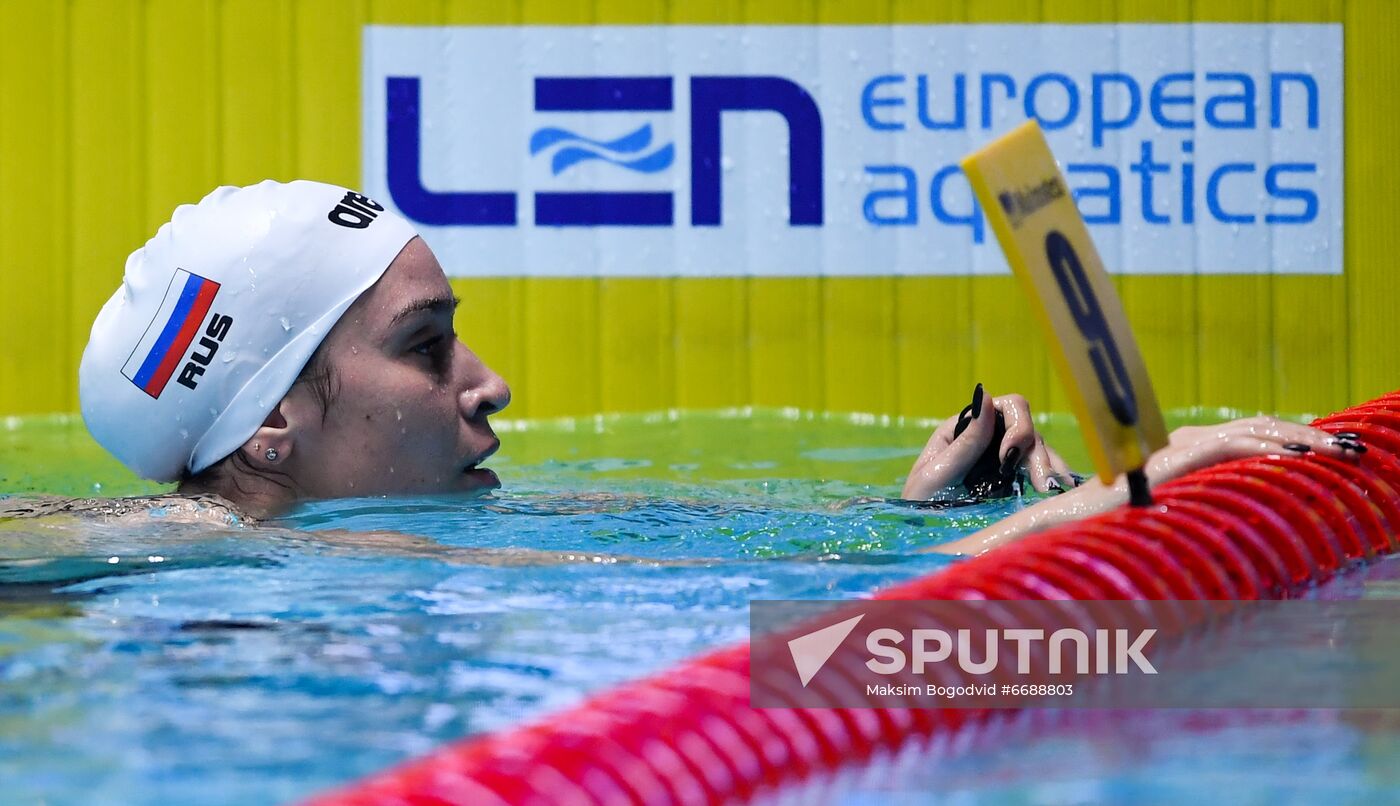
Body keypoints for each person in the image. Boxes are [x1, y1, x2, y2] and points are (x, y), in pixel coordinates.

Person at [70, 180, 1363, 554]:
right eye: (425, 346)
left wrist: (919, 526)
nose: (492, 380)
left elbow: (752, 567)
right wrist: (1120, 509)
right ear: (278, 415)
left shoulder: (467, 540)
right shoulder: (164, 560)